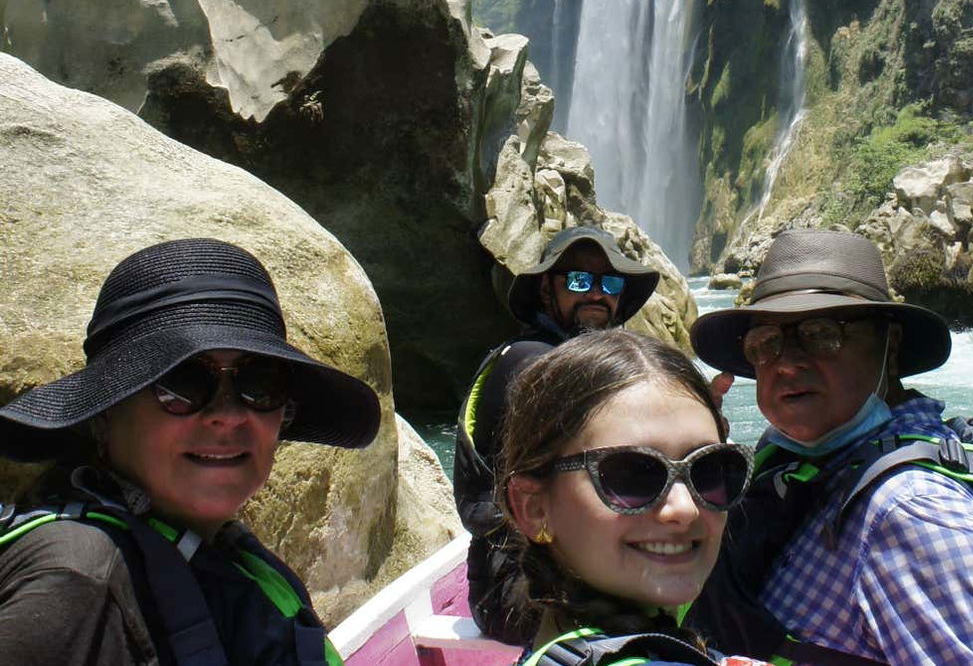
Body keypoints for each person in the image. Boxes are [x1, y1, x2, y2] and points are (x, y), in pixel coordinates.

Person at [0, 238, 381, 666]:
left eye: (259, 382)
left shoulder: (218, 553)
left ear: (285, 412)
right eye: (180, 384)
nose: (229, 415)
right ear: (104, 415)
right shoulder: (78, 578)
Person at [687, 229, 973, 665]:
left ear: (888, 347)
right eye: (766, 344)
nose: (788, 362)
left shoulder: (913, 513)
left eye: (821, 334)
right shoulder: (798, 467)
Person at [496, 328, 758, 666]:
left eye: (709, 469)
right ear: (533, 508)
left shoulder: (559, 650)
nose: (685, 508)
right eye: (632, 476)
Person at [454, 226, 659, 643]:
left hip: (554, 564)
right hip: (515, 585)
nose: (597, 295)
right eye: (580, 281)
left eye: (610, 283)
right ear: (548, 291)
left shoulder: (555, 359)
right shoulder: (536, 362)